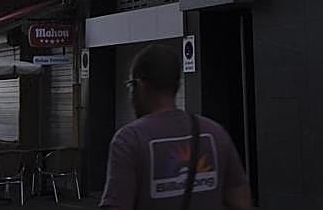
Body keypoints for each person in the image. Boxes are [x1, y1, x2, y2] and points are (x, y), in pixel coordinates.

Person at [100, 44, 251, 210]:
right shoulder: (215, 133)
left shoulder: (129, 140)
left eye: (130, 85)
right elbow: (241, 202)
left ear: (141, 85)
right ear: (177, 85)